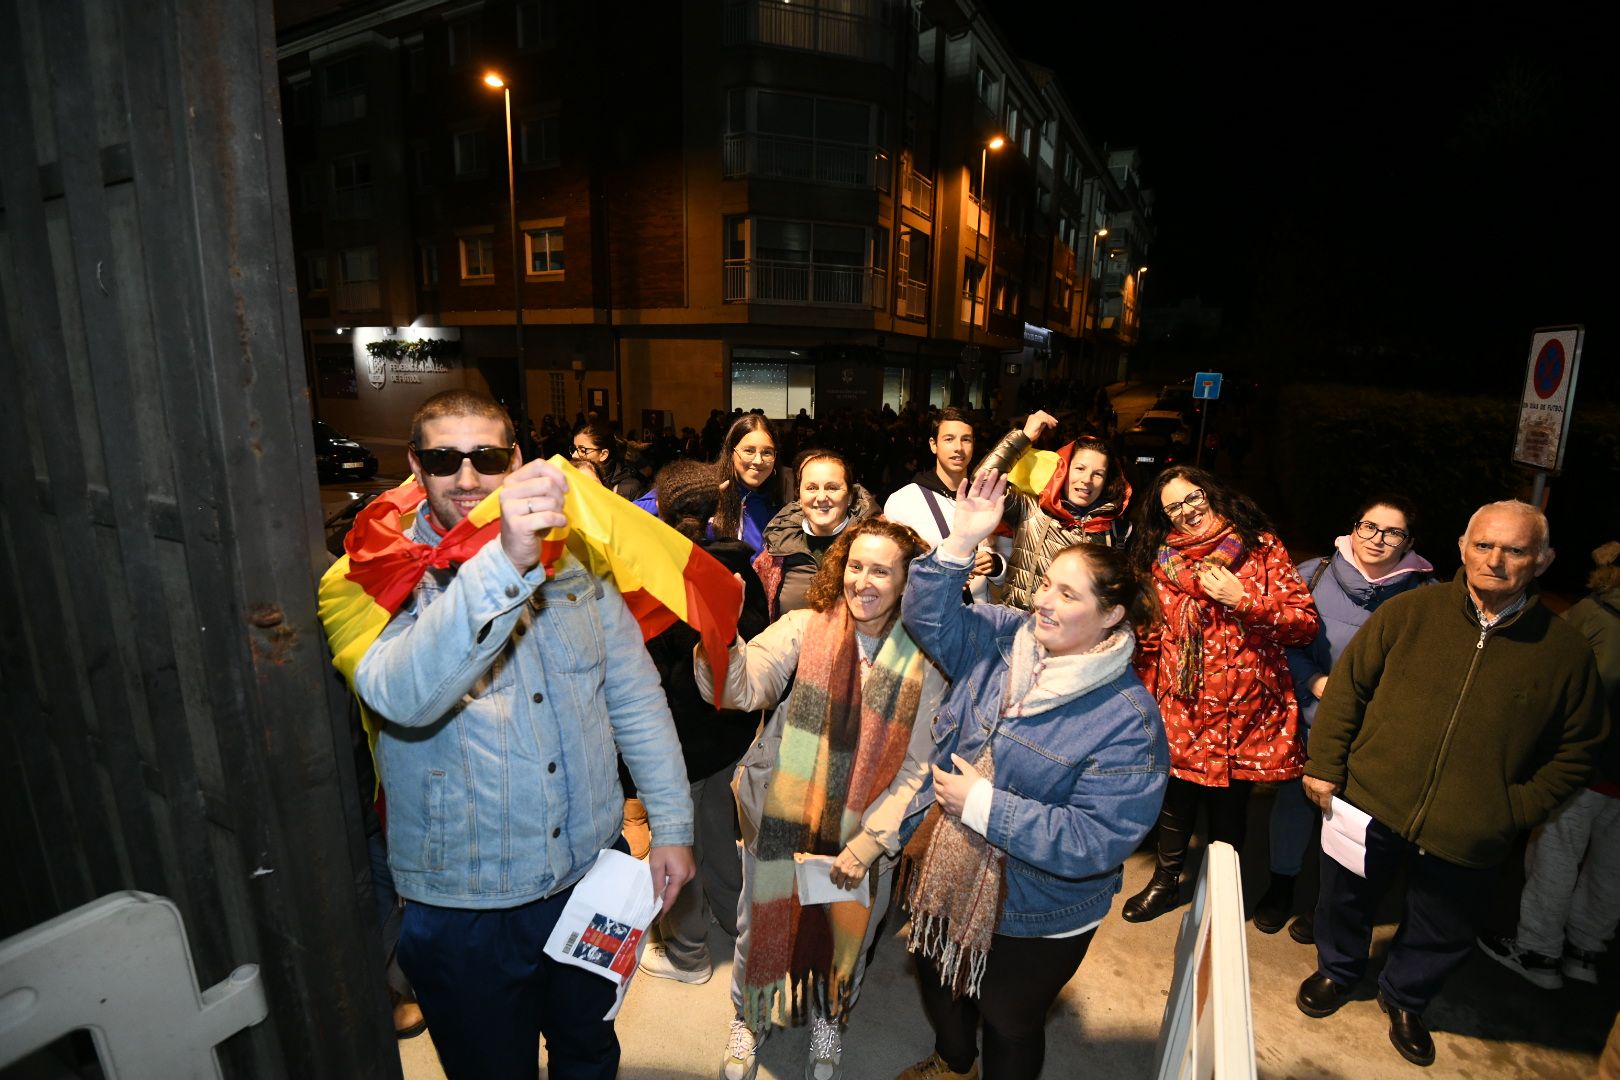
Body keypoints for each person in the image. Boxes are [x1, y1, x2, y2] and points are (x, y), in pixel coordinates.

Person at [350, 389, 696, 1080]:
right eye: (446, 459)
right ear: (417, 466)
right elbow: (402, 697)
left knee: (589, 1054)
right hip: (463, 907)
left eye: (484, 457)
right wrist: (505, 562)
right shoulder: (375, 571)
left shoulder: (577, 563)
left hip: (589, 878)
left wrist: (674, 825)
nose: (468, 477)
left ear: (513, 460)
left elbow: (634, 699)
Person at [1297, 500, 1604, 1069]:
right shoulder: (1410, 611)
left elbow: (1578, 747)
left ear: (1542, 560)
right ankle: (1337, 971)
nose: (1496, 560)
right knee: (1344, 898)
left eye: (1515, 550)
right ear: (1462, 547)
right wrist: (1327, 765)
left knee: (1443, 925)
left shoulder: (1565, 652)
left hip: (1471, 826)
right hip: (1371, 800)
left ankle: (1407, 999)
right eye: (1484, 545)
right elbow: (1348, 691)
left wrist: (1514, 808)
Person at [891, 469, 1168, 1080]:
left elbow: (1098, 837)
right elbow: (926, 617)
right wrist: (960, 543)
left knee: (1008, 1017)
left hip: (1042, 907)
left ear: (1112, 615)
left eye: (1069, 595)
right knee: (940, 976)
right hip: (945, 863)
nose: (1043, 599)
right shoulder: (1000, 637)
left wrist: (985, 806)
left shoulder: (1128, 721)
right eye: (1046, 583)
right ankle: (953, 1062)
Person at [697, 518, 943, 1080]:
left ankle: (832, 1014)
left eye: (881, 570)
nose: (864, 581)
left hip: (864, 831)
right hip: (782, 813)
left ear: (908, 581)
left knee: (847, 929)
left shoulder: (926, 660)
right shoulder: (804, 627)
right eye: (855, 565)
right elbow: (740, 688)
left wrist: (870, 842)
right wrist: (718, 635)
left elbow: (919, 768)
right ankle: (750, 1015)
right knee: (758, 927)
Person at [1123, 466, 1319, 923]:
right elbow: (1152, 636)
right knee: (1177, 797)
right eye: (1174, 507)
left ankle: (1220, 892)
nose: (1187, 512)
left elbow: (1303, 624)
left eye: (1193, 498)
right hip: (1180, 704)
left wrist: (1242, 599)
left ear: (1211, 493)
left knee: (1231, 805)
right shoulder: (1158, 559)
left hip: (1244, 707)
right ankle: (1166, 881)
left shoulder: (1261, 548)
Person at [1258, 496, 1435, 939]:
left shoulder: (1425, 596)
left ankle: (1327, 905)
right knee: (1294, 806)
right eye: (1369, 526)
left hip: (1373, 730)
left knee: (1351, 822)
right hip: (1309, 715)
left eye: (1392, 532)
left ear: (1408, 541)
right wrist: (1315, 682)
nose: (1377, 539)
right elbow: (1280, 641)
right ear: (1353, 528)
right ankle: (1281, 885)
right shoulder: (1311, 574)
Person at [636, 461, 771, 985]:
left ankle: (689, 953)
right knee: (719, 828)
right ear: (716, 507)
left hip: (673, 737)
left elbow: (645, 661)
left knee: (677, 837)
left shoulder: (653, 575)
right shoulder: (737, 567)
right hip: (728, 729)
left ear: (663, 509)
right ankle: (739, 921)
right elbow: (754, 642)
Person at [1478, 539, 1620, 989]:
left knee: (1555, 856)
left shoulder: (1597, 615)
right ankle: (1584, 951)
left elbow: (1554, 676)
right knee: (1611, 868)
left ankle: (1539, 952)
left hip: (1587, 767)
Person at [976, 409, 1131, 610]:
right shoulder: (1031, 510)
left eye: (1098, 474)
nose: (1087, 480)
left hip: (1074, 637)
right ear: (1064, 471)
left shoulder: (1116, 531)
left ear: (1107, 482)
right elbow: (982, 483)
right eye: (1080, 468)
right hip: (1019, 632)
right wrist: (1023, 437)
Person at [882, 406, 1009, 604]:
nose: (958, 447)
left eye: (965, 439)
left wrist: (996, 565)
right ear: (933, 445)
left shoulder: (987, 498)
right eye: (949, 439)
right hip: (928, 618)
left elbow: (1009, 563)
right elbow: (890, 570)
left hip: (978, 618)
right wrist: (944, 576)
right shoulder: (904, 501)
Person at [753, 449, 879, 620]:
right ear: (799, 495)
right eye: (811, 488)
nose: (821, 497)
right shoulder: (776, 551)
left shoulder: (877, 545)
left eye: (832, 488)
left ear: (849, 496)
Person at [637, 413, 781, 557]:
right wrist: (695, 503)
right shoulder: (701, 483)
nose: (758, 460)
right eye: (749, 451)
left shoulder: (775, 507)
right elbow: (631, 513)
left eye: (767, 452)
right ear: (731, 452)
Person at [570, 419, 644, 501]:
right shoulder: (574, 477)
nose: (574, 455)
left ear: (603, 454)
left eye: (582, 450)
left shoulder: (628, 489)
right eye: (574, 449)